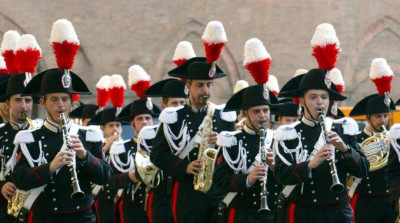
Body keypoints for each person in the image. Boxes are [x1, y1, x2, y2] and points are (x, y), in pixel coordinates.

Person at [12, 68, 113, 223]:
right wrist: (50, 167)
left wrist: (85, 156)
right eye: (54, 99)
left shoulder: (89, 136)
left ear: (72, 103)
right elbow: (20, 180)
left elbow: (105, 176)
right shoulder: (29, 138)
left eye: (65, 99)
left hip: (83, 216)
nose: (61, 105)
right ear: (43, 102)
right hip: (46, 216)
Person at [274, 68, 369, 223]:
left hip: (338, 212)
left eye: (324, 97)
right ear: (302, 101)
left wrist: (344, 149)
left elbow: (363, 170)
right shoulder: (289, 133)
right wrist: (310, 165)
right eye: (313, 97)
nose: (320, 102)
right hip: (305, 212)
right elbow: (280, 175)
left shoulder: (343, 129)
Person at [150, 57, 237, 223]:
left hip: (218, 191)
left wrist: (223, 141)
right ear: (188, 85)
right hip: (188, 192)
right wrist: (184, 166)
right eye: (200, 85)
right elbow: (157, 154)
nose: (205, 90)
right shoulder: (174, 117)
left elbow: (235, 155)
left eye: (209, 85)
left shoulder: (222, 116)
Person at [214, 83, 283, 222]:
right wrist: (247, 179)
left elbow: (290, 180)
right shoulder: (231, 141)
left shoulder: (279, 139)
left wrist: (276, 167)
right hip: (243, 214)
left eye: (265, 110)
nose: (262, 116)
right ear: (245, 113)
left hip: (274, 213)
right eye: (256, 111)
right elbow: (220, 180)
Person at [139, 78, 187, 223]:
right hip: (162, 195)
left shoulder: (194, 130)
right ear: (164, 106)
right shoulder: (149, 133)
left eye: (182, 103)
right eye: (174, 103)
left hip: (187, 195)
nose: (178, 107)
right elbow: (141, 169)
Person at [0, 73, 42, 223]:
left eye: (28, 100)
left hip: (38, 209)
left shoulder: (42, 132)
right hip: (5, 211)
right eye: (18, 100)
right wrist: (1, 186)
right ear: (7, 103)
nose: (24, 106)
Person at [348, 94, 398, 222]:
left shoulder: (394, 140)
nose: (383, 120)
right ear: (367, 117)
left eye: (385, 116)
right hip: (366, 202)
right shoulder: (356, 140)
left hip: (390, 201)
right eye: (378, 116)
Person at [111, 98, 160, 223]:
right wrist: (128, 176)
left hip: (158, 204)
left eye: (147, 118)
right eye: (140, 119)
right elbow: (111, 180)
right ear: (132, 123)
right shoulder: (121, 148)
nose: (144, 122)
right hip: (133, 206)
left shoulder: (162, 146)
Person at [87, 107, 122, 223]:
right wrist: (106, 147)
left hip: (122, 199)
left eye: (118, 125)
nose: (115, 129)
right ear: (103, 128)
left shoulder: (127, 146)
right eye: (111, 125)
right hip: (102, 199)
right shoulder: (98, 147)